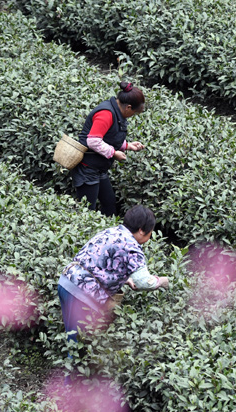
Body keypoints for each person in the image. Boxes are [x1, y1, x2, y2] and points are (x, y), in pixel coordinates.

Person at [57, 205, 169, 343]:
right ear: (141, 231)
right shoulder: (132, 246)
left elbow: (103, 261)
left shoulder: (113, 231)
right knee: (79, 344)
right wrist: (163, 281)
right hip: (82, 292)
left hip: (66, 281)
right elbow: (144, 282)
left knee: (73, 338)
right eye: (150, 232)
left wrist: (125, 279)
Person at [73, 82, 146, 217]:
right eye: (134, 113)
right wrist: (113, 153)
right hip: (87, 168)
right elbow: (93, 141)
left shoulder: (116, 111)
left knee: (109, 204)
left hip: (99, 168)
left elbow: (109, 136)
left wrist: (127, 146)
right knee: (87, 210)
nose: (133, 116)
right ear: (128, 107)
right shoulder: (106, 113)